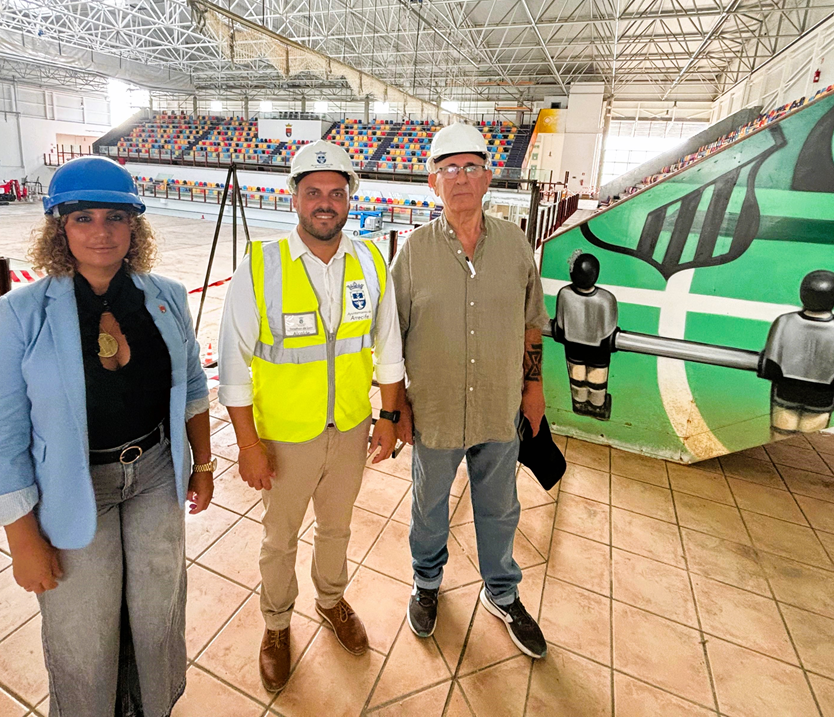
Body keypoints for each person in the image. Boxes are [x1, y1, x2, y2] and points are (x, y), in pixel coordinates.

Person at [0, 156, 216, 717]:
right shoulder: (23, 313)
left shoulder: (166, 297)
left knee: (157, 610)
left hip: (156, 472)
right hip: (73, 482)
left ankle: (150, 707)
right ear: (59, 227)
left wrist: (202, 464)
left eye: (115, 216)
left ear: (135, 225)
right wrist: (21, 538)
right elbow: (1, 431)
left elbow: (194, 387)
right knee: (82, 629)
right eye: (82, 217)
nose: (101, 231)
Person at [217, 140, 404, 693]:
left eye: (336, 193)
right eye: (314, 191)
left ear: (350, 199)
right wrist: (248, 446)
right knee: (279, 538)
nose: (326, 202)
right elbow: (233, 365)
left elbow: (388, 348)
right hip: (285, 436)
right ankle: (276, 625)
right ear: (293, 196)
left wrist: (388, 417)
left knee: (338, 527)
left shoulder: (369, 261)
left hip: (349, 428)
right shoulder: (259, 265)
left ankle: (331, 600)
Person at [391, 122, 549, 659]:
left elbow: (532, 322)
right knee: (429, 507)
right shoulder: (412, 253)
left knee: (500, 507)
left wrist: (533, 386)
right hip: (434, 410)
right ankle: (427, 585)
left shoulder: (515, 245)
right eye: (448, 169)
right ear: (433, 183)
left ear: (487, 178)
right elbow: (391, 339)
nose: (460, 178)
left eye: (471, 167)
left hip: (498, 405)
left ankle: (502, 591)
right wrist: (397, 408)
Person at [759, 270, 834, 435]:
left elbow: (769, 364)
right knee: (808, 439)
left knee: (780, 433)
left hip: (786, 390)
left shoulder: (784, 321)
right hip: (822, 396)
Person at [553, 253, 618, 419]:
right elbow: (609, 327)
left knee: (577, 378)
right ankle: (597, 406)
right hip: (599, 348)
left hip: (572, 345)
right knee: (597, 380)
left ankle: (579, 403)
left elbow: (560, 324)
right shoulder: (606, 298)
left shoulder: (565, 293)